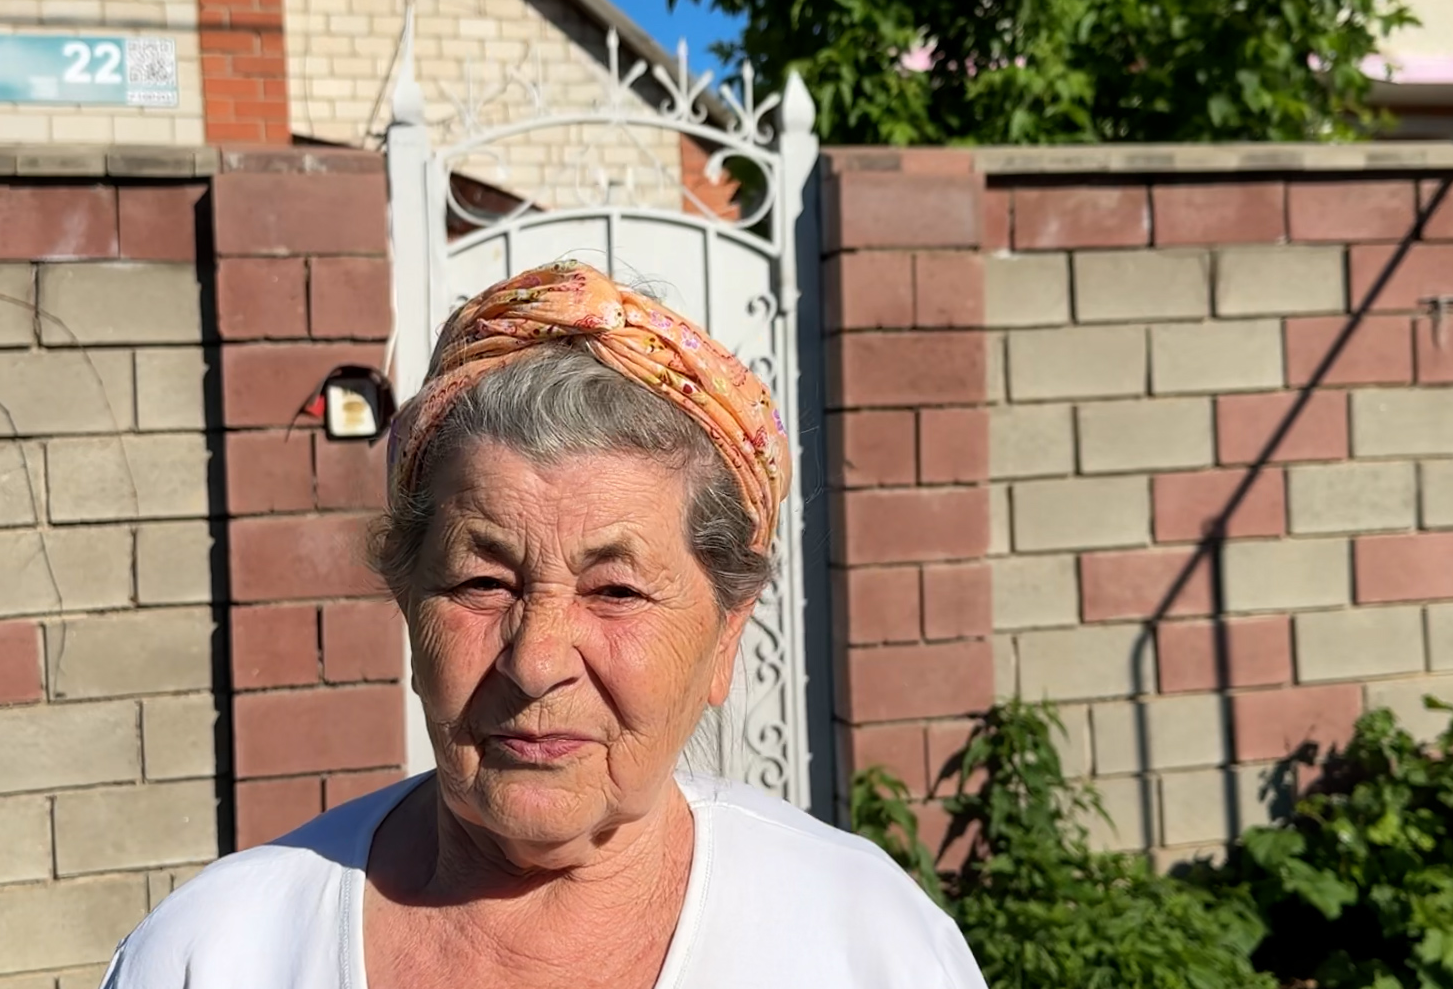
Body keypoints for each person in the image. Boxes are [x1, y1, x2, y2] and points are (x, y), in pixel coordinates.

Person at [98, 262, 984, 989]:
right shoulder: (217, 952)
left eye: (616, 591)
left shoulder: (865, 944)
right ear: (409, 604)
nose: (536, 660)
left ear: (725, 638)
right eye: (483, 582)